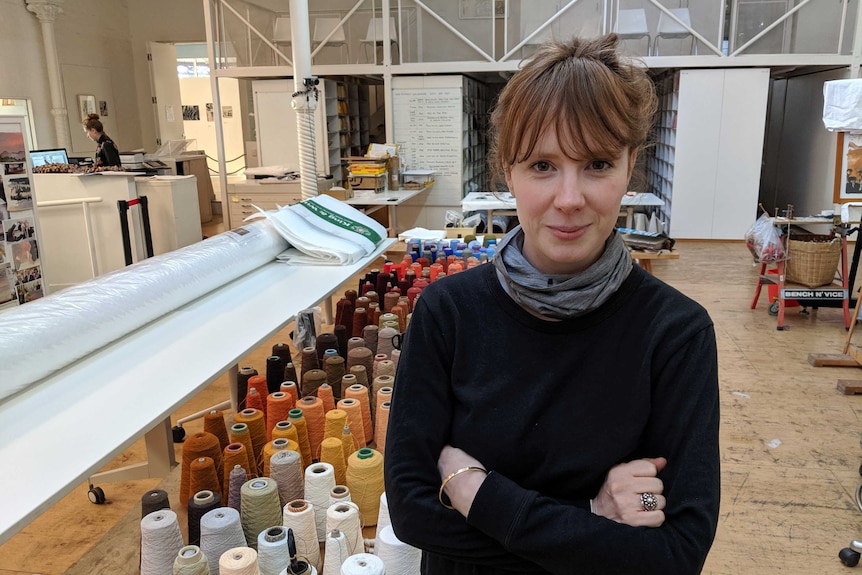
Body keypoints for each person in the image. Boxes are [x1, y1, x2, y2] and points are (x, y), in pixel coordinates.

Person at [384, 34, 720, 574]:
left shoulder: (675, 333)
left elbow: (677, 552)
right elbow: (412, 512)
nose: (569, 198)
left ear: (629, 167)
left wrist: (477, 493)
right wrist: (594, 515)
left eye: (597, 164)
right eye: (542, 165)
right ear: (507, 173)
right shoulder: (448, 314)